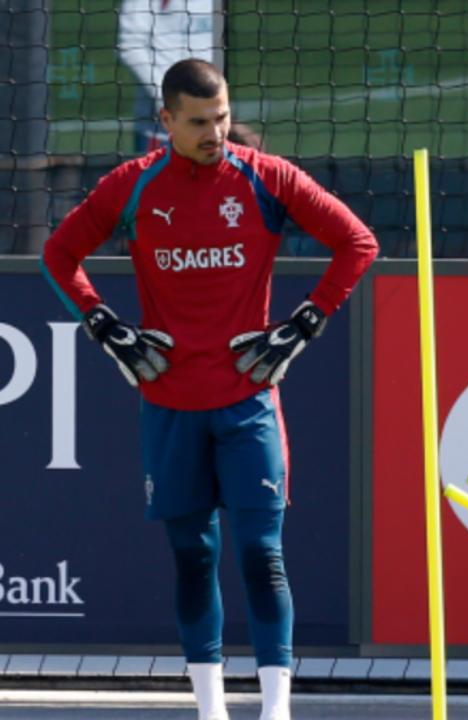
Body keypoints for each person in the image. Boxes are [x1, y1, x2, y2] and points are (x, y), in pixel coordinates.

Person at [41, 58, 377, 720]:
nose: (215, 132)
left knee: (262, 555)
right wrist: (103, 324)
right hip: (169, 406)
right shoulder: (132, 186)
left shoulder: (268, 178)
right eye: (198, 122)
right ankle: (211, 711)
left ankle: (276, 710)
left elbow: (357, 243)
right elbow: (59, 254)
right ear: (166, 121)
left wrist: (304, 323)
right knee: (194, 557)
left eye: (221, 117)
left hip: (249, 403)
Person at [119, 0, 262, 152]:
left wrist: (226, 118)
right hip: (162, 134)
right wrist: (170, 102)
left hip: (211, 129)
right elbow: (130, 46)